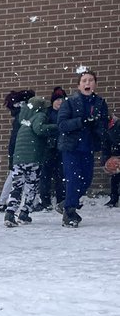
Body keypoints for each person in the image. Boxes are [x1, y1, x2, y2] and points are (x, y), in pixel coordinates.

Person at [57, 68, 109, 227]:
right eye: (84, 80)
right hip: (71, 147)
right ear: (79, 85)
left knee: (86, 180)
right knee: (73, 179)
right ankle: (69, 212)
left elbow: (103, 125)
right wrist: (81, 121)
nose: (88, 83)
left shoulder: (100, 103)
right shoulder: (70, 102)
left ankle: (66, 203)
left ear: (95, 84)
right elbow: (62, 124)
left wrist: (97, 126)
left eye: (91, 80)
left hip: (88, 147)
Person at [2, 95, 48, 227]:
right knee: (31, 186)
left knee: (17, 186)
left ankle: (10, 213)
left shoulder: (23, 120)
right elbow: (40, 129)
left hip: (18, 159)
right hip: (32, 159)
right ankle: (24, 213)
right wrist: (54, 128)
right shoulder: (39, 116)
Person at [0, 89, 36, 210]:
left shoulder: (19, 115)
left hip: (17, 149)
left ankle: (3, 201)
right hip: (22, 149)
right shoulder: (24, 116)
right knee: (20, 175)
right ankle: (4, 202)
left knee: (14, 174)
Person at [35, 87, 67, 211]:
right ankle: (45, 201)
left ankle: (61, 200)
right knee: (45, 175)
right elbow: (42, 128)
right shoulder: (46, 113)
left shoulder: (66, 113)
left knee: (61, 175)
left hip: (62, 148)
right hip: (48, 148)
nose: (60, 102)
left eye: (62, 99)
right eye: (57, 99)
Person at [101, 115, 120, 208]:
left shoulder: (117, 126)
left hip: (117, 154)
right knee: (115, 178)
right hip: (115, 156)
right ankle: (114, 198)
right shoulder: (105, 131)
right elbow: (105, 147)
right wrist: (105, 161)